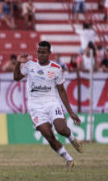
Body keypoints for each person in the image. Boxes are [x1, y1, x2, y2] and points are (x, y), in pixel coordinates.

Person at [13, 41, 83, 169]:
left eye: (43, 52)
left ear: (49, 53)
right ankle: (69, 159)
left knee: (61, 129)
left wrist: (71, 112)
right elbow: (16, 77)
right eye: (39, 52)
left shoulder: (56, 68)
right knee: (48, 135)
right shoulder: (30, 65)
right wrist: (18, 62)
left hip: (52, 103)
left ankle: (73, 139)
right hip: (35, 108)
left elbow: (61, 90)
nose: (40, 55)